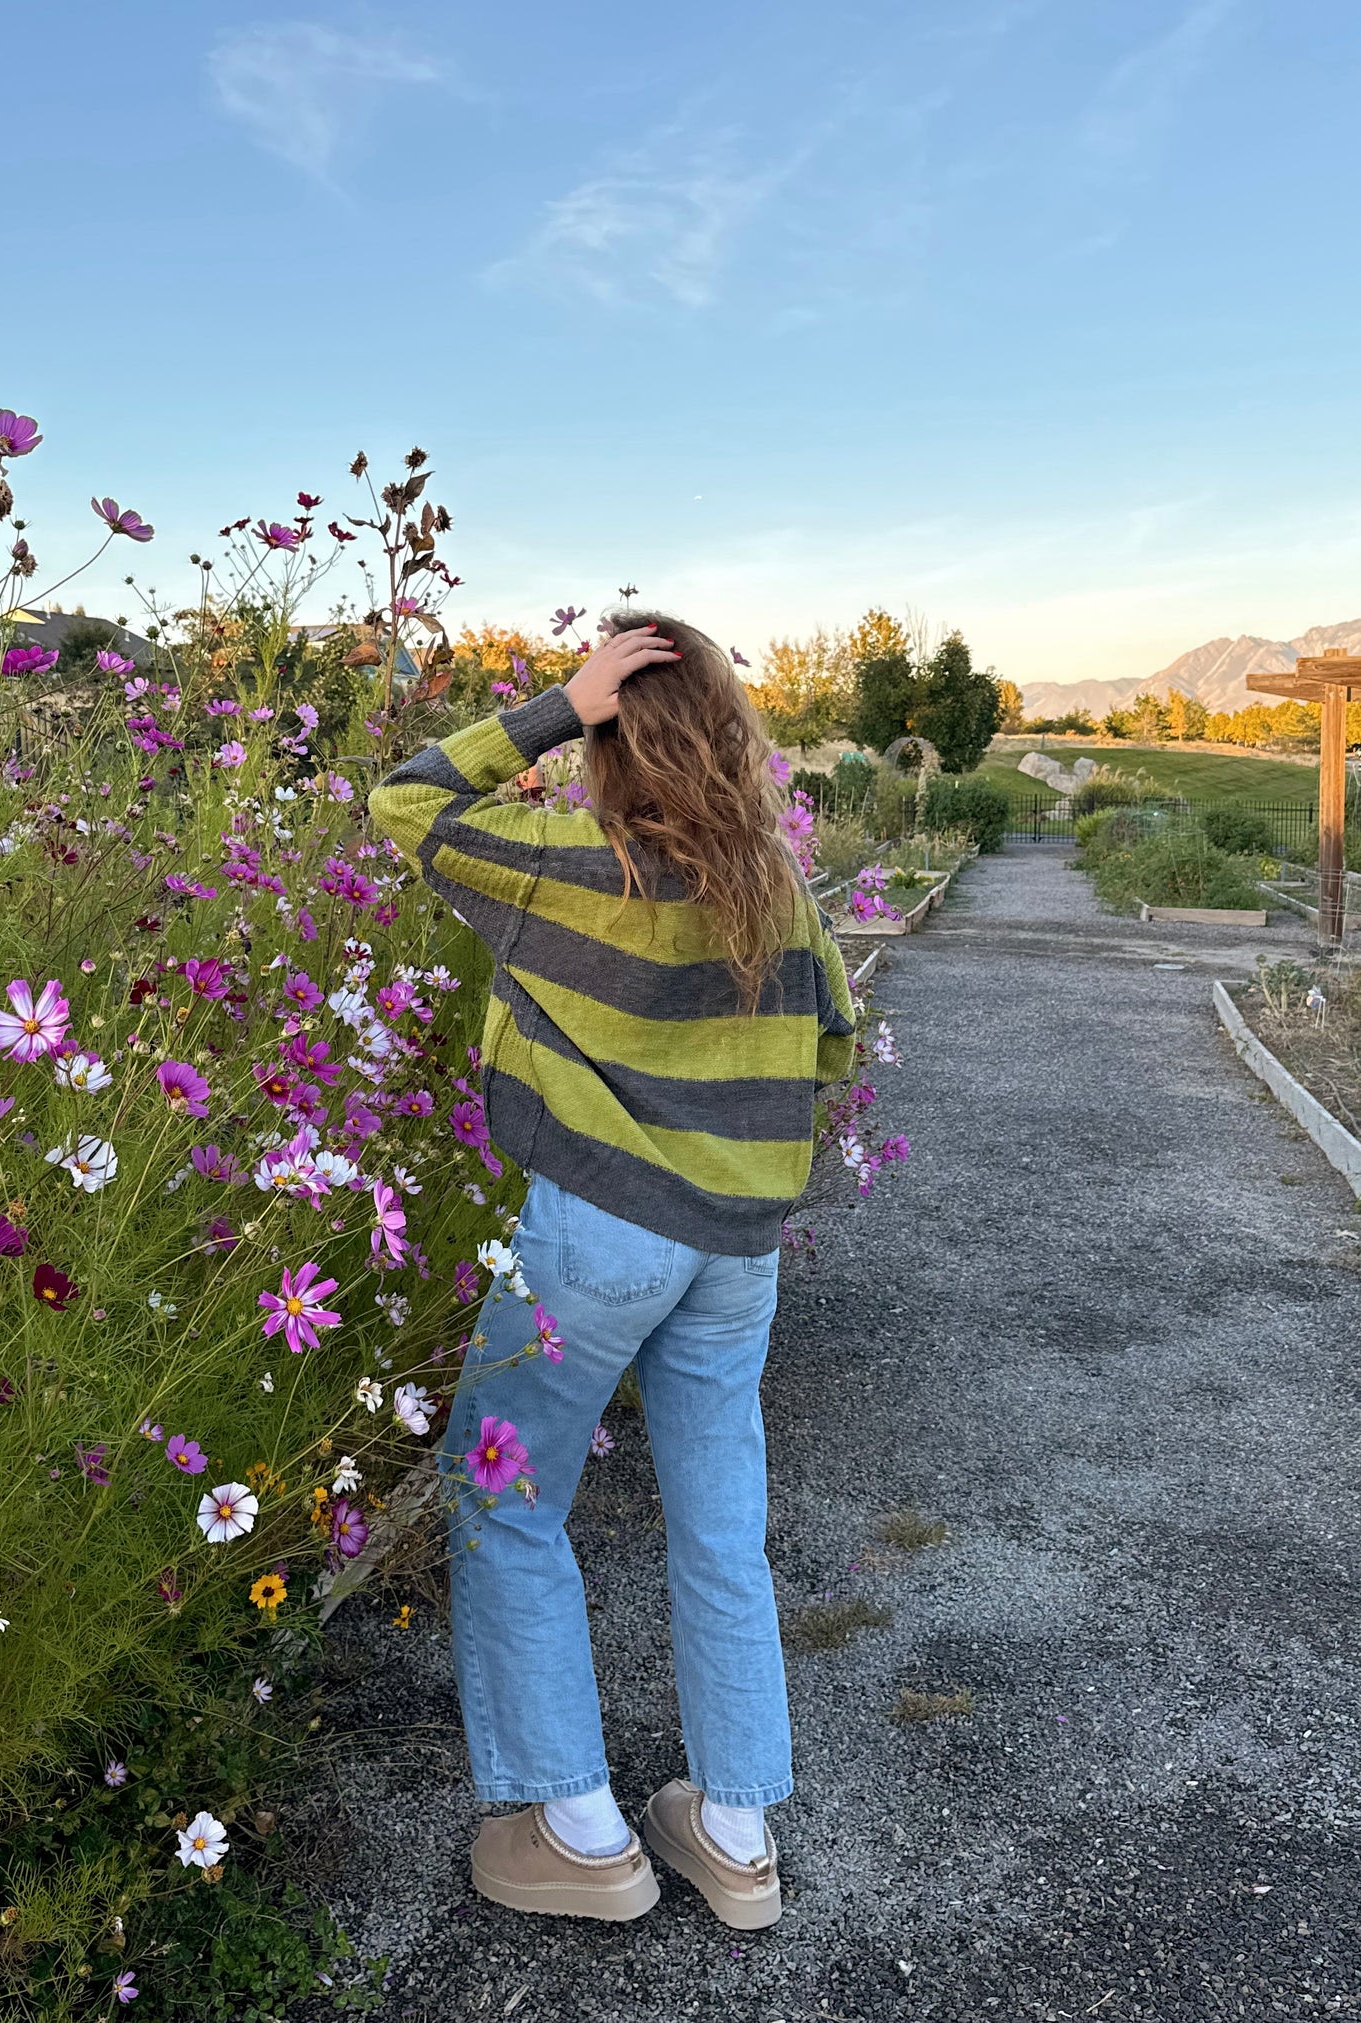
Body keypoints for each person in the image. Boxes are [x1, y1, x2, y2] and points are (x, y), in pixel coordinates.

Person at [367, 611, 857, 1929]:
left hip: (595, 1233)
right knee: (718, 1527)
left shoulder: (565, 861)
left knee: (507, 1501)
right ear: (727, 731)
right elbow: (830, 1045)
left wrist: (553, 707)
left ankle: (581, 1833)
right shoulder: (774, 880)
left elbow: (403, 798)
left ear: (610, 731)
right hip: (735, 1250)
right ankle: (737, 1836)